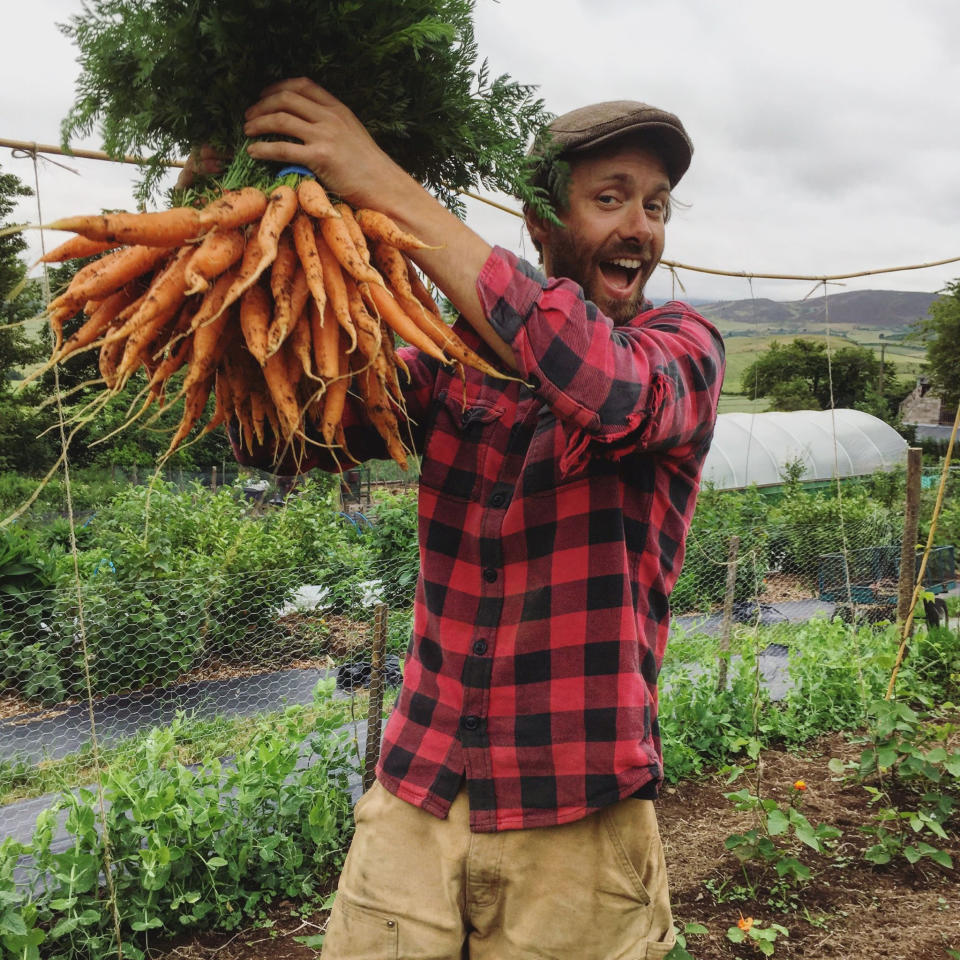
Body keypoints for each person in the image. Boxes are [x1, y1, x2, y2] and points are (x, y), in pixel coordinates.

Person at [236, 77, 725, 959]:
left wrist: (382, 182)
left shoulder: (680, 351)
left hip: (576, 810)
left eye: (656, 205)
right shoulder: (453, 366)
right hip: (418, 791)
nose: (641, 228)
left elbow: (603, 388)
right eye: (609, 198)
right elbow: (292, 438)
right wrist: (249, 250)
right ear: (540, 224)